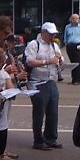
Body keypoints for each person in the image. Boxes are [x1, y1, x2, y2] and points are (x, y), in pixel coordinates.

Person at [25, 22, 65, 150]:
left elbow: (59, 58)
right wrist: (47, 61)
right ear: (43, 32)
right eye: (50, 33)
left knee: (53, 111)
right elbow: (29, 61)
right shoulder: (34, 44)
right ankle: (38, 140)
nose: (53, 36)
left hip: (50, 80)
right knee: (39, 112)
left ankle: (51, 138)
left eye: (54, 34)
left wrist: (60, 60)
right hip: (37, 82)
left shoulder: (54, 45)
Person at [63, 14, 80, 85]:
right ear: (71, 19)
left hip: (78, 45)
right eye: (74, 18)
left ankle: (78, 79)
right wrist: (66, 44)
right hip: (70, 46)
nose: (76, 20)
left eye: (77, 18)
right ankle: (73, 79)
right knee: (72, 63)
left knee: (78, 63)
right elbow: (65, 37)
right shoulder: (67, 27)